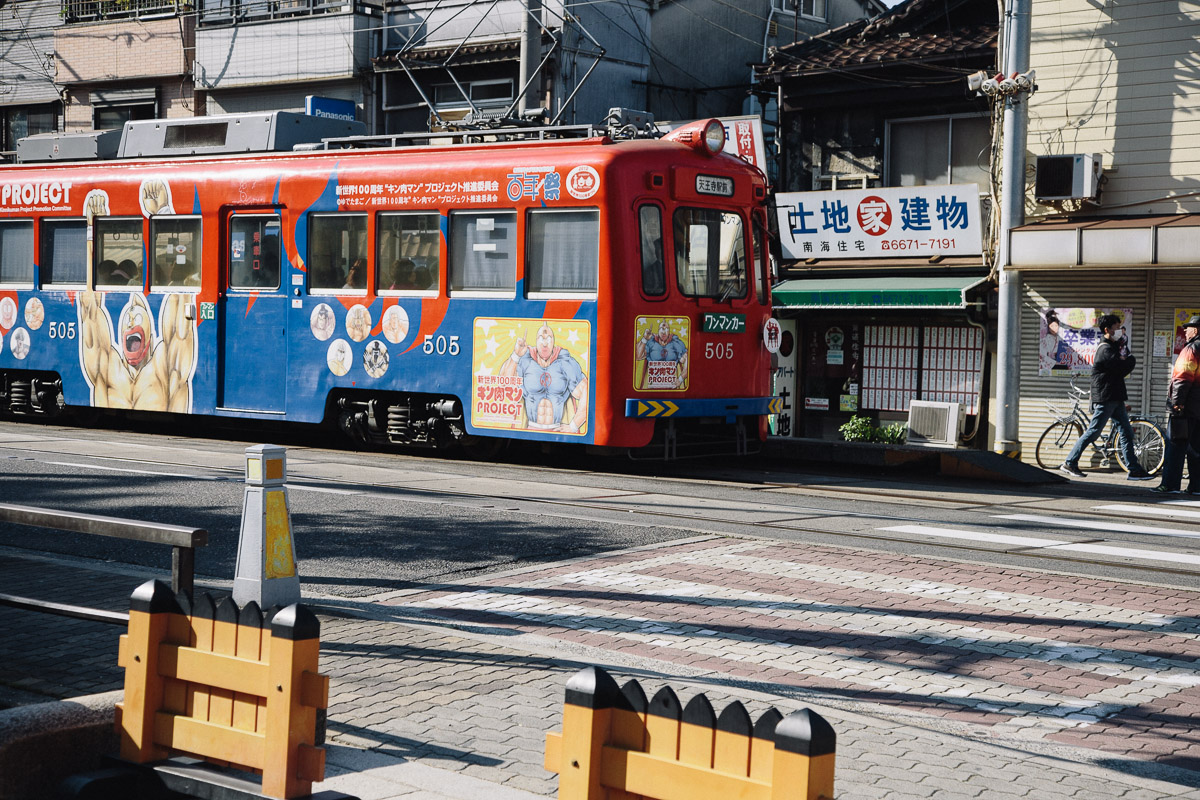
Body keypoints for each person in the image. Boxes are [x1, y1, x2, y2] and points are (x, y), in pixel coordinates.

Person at [1059, 313, 1152, 480]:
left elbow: (1121, 364)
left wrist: (1125, 354)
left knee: (1126, 432)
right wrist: (1131, 359)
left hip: (1114, 396)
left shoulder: (1113, 347)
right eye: (1117, 328)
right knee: (1094, 431)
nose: (1120, 331)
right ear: (1107, 330)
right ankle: (1070, 462)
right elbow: (1122, 368)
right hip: (1106, 397)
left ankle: (1134, 469)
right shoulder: (1105, 350)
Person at [1153, 315, 1200, 494]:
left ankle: (1170, 484)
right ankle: (1196, 486)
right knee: (1196, 449)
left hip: (1186, 408)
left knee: (1175, 446)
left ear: (1196, 330)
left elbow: (1182, 378)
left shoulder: (1191, 349)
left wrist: (1177, 404)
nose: (1185, 331)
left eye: (1188, 328)